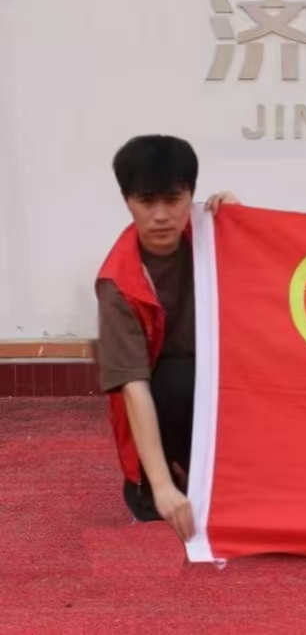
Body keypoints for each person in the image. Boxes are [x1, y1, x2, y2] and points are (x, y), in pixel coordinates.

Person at [95, 135, 238, 540]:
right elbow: (133, 387)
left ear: (191, 194)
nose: (161, 216)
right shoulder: (119, 282)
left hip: (223, 391)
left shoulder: (212, 234)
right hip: (163, 398)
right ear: (126, 201)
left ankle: (225, 469)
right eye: (146, 201)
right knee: (176, 379)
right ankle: (166, 476)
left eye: (173, 200)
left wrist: (242, 223)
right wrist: (161, 487)